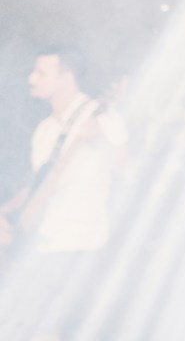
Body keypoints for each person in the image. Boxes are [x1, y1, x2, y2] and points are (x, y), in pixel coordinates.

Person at [0, 48, 128, 338]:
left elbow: (126, 169)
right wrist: (5, 211)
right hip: (40, 244)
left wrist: (99, 140)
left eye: (40, 73)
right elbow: (37, 186)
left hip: (78, 246)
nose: (30, 78)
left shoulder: (101, 114)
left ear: (65, 78)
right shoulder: (45, 129)